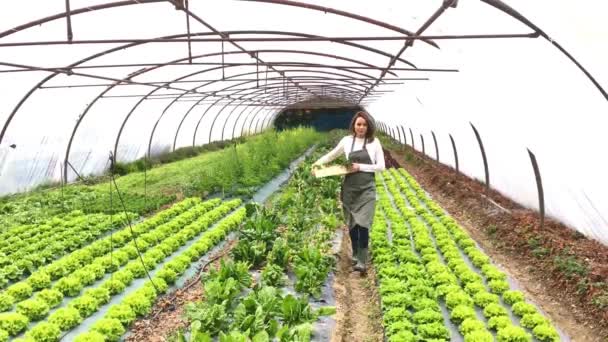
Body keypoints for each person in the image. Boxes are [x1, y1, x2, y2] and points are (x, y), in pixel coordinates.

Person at [312, 111, 385, 274]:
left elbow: (381, 166)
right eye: (358, 124)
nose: (361, 127)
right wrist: (316, 164)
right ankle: (355, 255)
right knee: (352, 223)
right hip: (350, 188)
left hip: (367, 189)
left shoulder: (374, 142)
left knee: (363, 224)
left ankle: (362, 260)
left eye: (364, 125)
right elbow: (332, 155)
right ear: (354, 125)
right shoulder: (347, 141)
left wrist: (361, 166)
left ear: (369, 126)